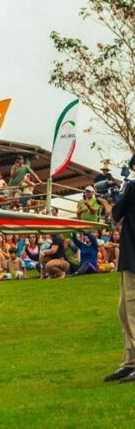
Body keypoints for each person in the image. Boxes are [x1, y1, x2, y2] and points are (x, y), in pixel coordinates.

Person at [104, 155, 135, 383]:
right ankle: (130, 362)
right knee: (124, 311)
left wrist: (106, 202)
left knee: (132, 312)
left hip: (133, 259)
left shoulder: (133, 187)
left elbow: (115, 213)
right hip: (129, 258)